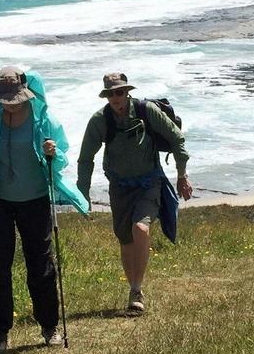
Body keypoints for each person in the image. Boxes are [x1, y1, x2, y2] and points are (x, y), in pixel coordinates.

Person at [0, 65, 89, 354]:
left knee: (41, 265)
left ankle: (49, 327)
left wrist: (53, 153)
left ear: (26, 92)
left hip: (35, 199)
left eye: (15, 98)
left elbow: (61, 159)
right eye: (4, 99)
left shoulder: (44, 119)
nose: (10, 104)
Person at [76, 72, 191, 315]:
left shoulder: (146, 111)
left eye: (119, 92)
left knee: (140, 228)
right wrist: (83, 194)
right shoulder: (100, 120)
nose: (115, 97)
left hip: (149, 182)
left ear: (127, 92)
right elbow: (86, 158)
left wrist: (182, 175)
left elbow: (176, 138)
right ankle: (133, 289)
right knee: (125, 239)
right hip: (119, 186)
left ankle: (137, 291)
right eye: (110, 94)